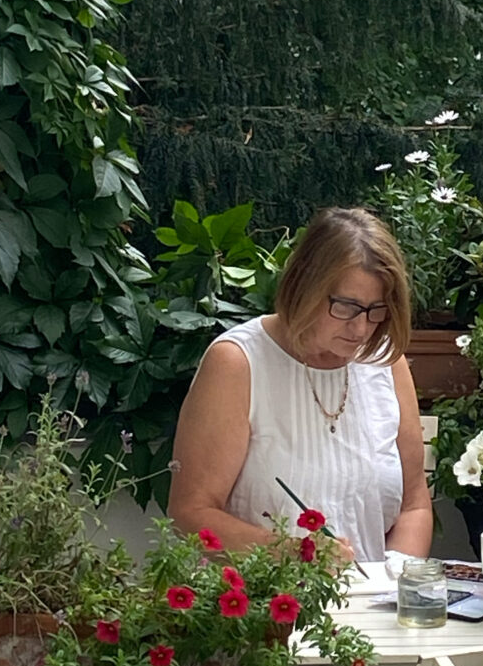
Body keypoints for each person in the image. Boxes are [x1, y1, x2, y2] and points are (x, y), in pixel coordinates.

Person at [167, 207, 433, 562]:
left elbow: (414, 505)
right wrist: (294, 555)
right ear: (305, 285)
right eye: (346, 306)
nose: (361, 329)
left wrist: (391, 583)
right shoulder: (239, 363)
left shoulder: (383, 360)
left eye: (376, 310)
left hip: (370, 611)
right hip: (261, 607)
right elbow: (190, 513)